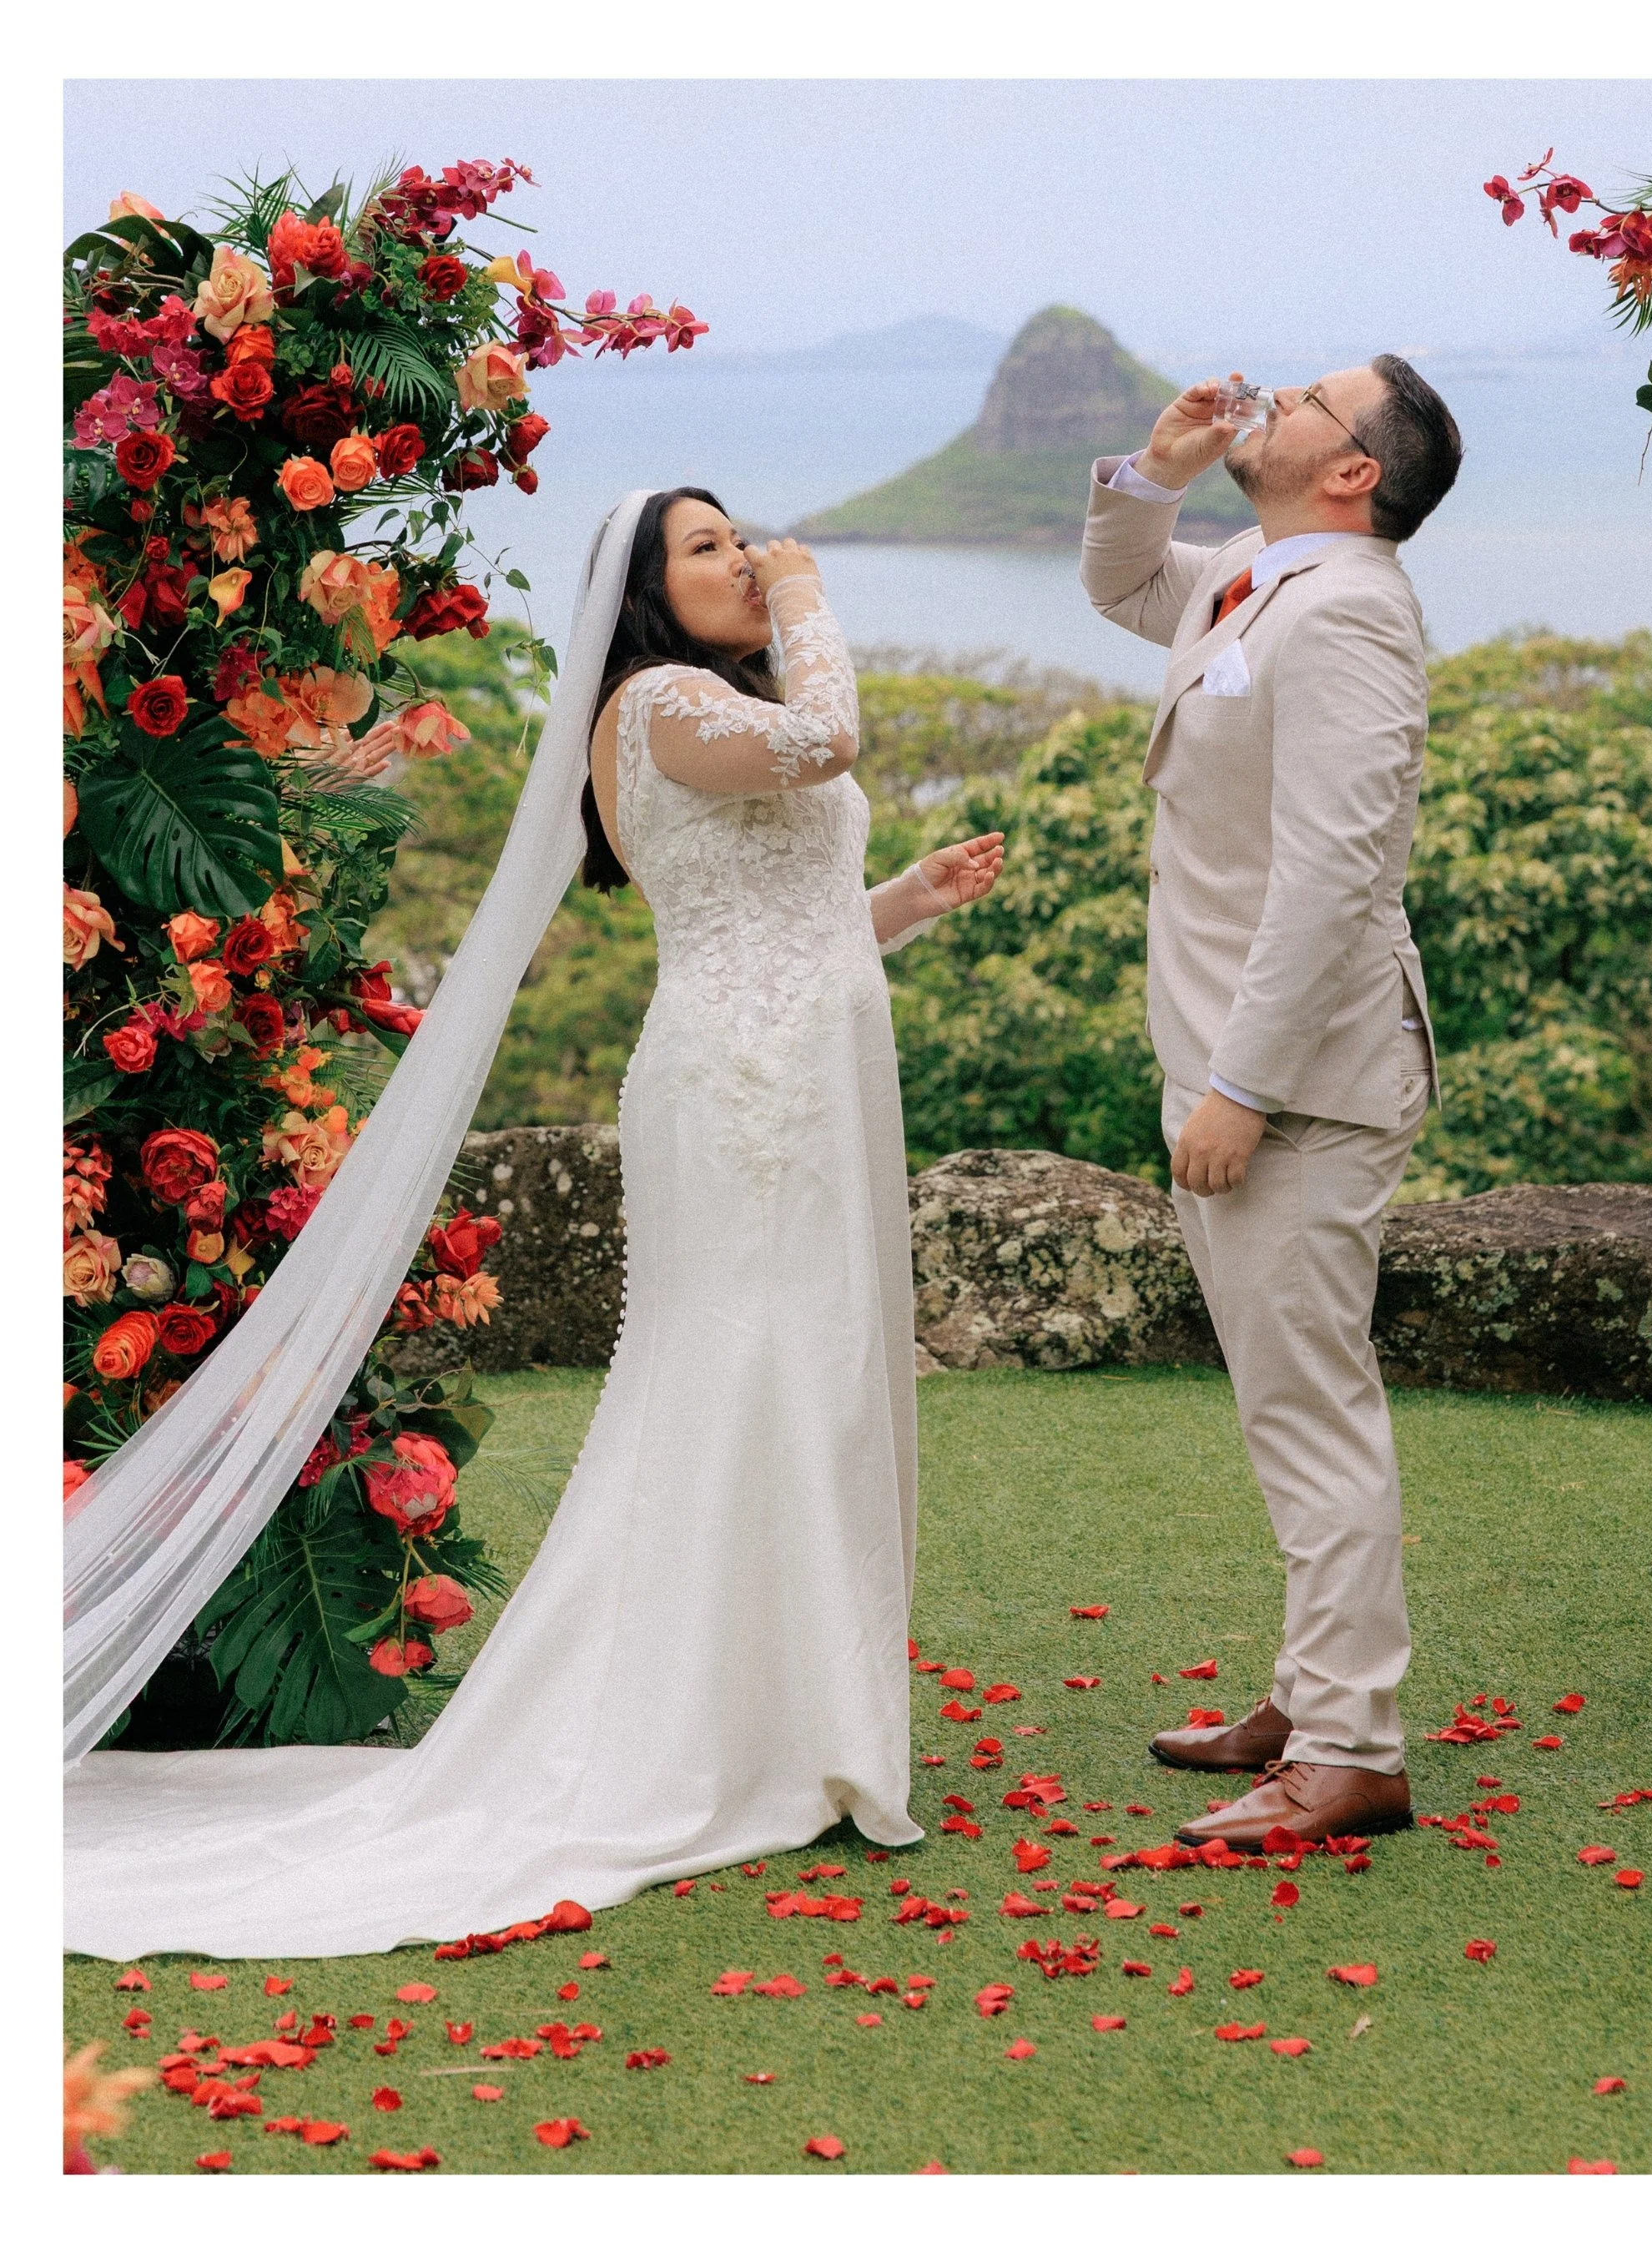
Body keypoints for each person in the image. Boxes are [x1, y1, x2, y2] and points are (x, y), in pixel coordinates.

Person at [63, 488, 1003, 1958]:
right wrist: (813, 592)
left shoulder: (711, 705)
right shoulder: (658, 702)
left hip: (811, 1072)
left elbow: (784, 913)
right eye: (712, 550)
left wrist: (909, 896)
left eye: (747, 542)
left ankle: (790, 1712)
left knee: (804, 1381)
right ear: (642, 593)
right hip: (746, 1093)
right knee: (752, 1376)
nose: (748, 560)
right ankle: (722, 1732)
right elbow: (830, 740)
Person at [1081, 360, 1462, 1847]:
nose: (1278, 396)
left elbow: (1335, 875)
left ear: (1354, 470)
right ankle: (1315, 1693)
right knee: (1284, 1401)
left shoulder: (1355, 612)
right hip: (1231, 1062)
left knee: (1312, 1412)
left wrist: (1241, 1088)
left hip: (1295, 1083)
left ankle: (1355, 1749)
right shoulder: (1254, 567)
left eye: (1309, 396)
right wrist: (1159, 470)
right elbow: (1124, 593)